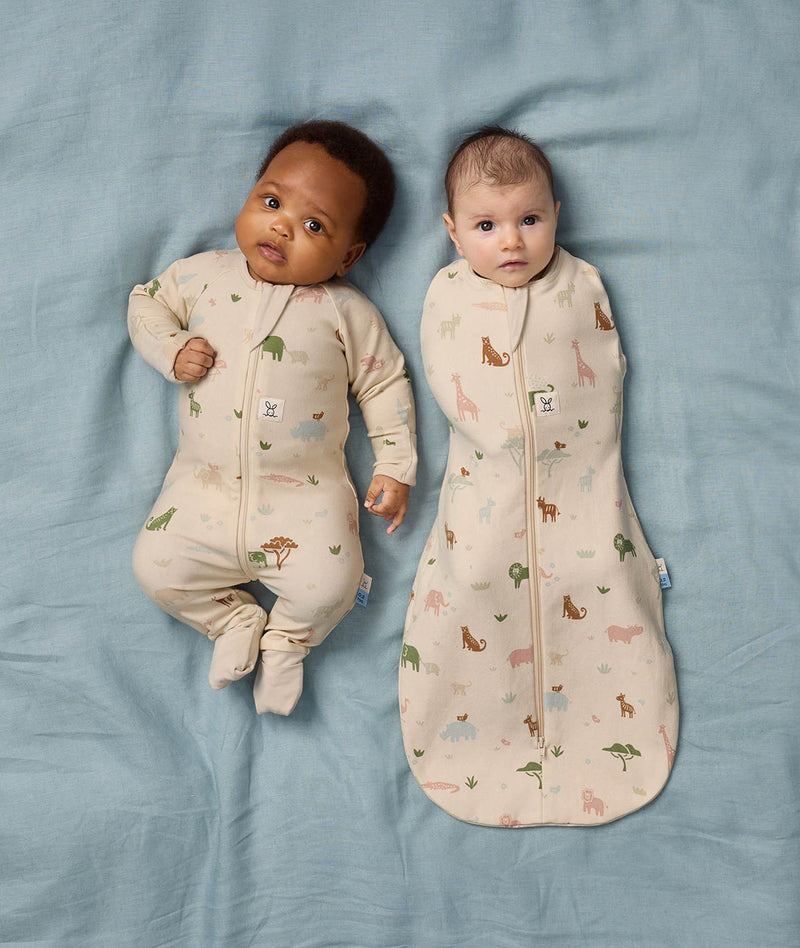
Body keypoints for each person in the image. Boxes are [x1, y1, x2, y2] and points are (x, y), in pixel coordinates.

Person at [399, 127, 678, 826]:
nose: (512, 242)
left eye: (530, 219)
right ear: (453, 233)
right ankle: (476, 746)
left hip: (585, 502)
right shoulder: (448, 295)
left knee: (604, 596)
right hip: (483, 509)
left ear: (556, 213)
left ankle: (606, 741)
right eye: (486, 225)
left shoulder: (581, 284)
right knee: (469, 596)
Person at [129, 120, 416, 715]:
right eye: (272, 200)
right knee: (155, 569)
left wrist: (395, 464)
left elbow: (385, 383)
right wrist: (171, 347)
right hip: (200, 491)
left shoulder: (347, 312)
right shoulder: (199, 276)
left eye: (315, 225)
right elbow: (145, 302)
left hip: (305, 500)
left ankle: (286, 643)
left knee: (333, 583)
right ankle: (232, 618)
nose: (283, 225)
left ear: (349, 255)